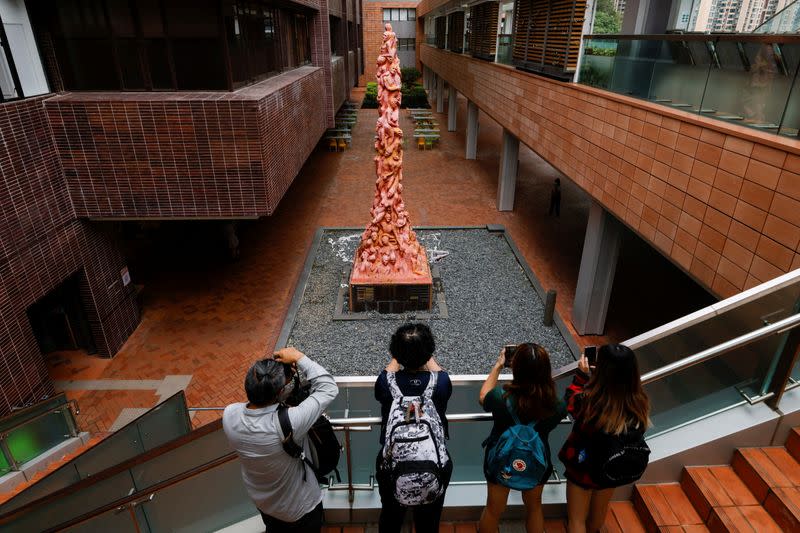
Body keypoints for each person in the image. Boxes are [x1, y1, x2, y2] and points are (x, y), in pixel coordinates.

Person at [223, 347, 339, 532]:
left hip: (264, 503)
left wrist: (278, 384)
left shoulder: (230, 414)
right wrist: (299, 357)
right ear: (279, 393)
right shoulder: (291, 422)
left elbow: (261, 405)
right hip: (300, 509)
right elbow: (329, 388)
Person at [559, 344, 651, 533]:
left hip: (583, 466)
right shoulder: (638, 401)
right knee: (597, 516)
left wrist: (581, 377)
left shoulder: (589, 401)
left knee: (577, 521)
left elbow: (569, 402)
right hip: (610, 466)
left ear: (601, 370)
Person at [478, 343, 567, 533]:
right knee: (534, 507)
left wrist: (498, 365)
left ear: (516, 368)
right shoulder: (556, 405)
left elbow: (483, 396)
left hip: (500, 460)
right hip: (537, 459)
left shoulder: (500, 397)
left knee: (493, 510)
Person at [374, 323, 453, 533]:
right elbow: (438, 370)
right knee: (429, 521)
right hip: (435, 462)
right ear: (430, 352)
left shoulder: (385, 383)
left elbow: (389, 370)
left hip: (392, 464)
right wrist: (426, 354)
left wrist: (398, 356)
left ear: (395, 353)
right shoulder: (441, 382)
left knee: (390, 517)